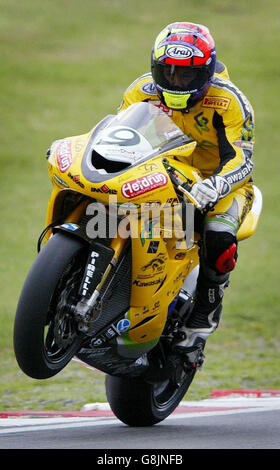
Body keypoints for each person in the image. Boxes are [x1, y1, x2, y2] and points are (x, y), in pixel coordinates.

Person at [118, 22, 255, 366]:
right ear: (156, 68)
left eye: (188, 76)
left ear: (206, 73)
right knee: (107, 210)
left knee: (219, 234)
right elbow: (118, 133)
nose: (177, 82)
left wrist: (217, 185)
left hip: (222, 183)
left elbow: (243, 159)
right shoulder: (141, 90)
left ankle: (204, 316)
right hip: (167, 173)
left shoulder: (229, 101)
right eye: (169, 72)